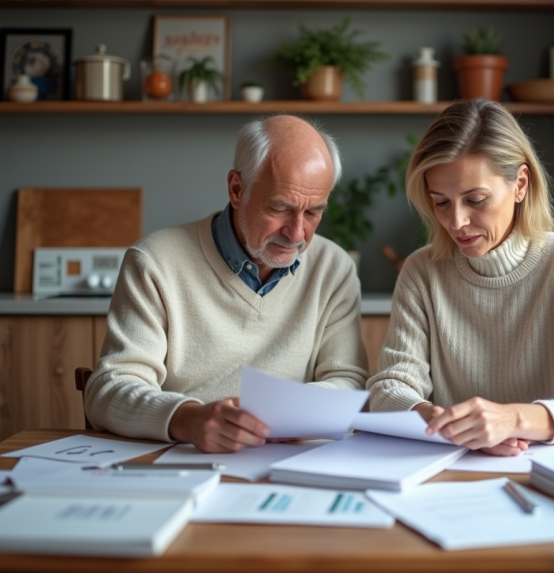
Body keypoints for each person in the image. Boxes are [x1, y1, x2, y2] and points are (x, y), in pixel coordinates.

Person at [85, 115, 370, 452]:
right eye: (280, 208)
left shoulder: (333, 268)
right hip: (183, 461)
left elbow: (350, 382)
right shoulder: (155, 262)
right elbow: (109, 389)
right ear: (237, 189)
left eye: (312, 213)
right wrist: (187, 419)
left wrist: (297, 413)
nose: (296, 234)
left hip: (292, 466)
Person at [366, 99, 554, 456]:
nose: (456, 222)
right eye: (441, 202)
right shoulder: (422, 272)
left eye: (476, 199)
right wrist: (436, 420)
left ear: (520, 184)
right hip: (459, 468)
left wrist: (513, 420)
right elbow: (388, 389)